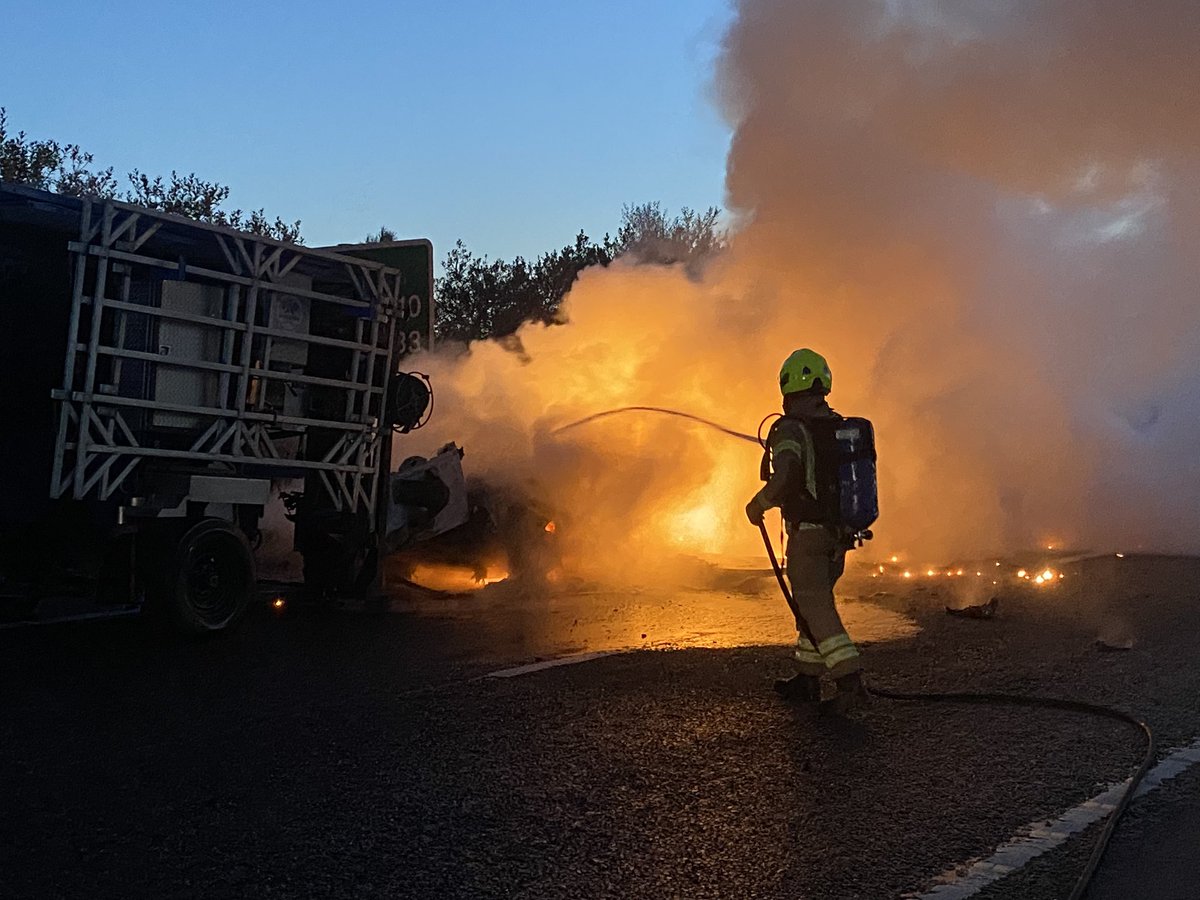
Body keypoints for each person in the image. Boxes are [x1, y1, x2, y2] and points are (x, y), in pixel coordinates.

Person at [744, 348, 868, 714]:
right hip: (838, 534)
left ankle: (849, 682)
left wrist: (758, 504)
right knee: (811, 604)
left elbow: (786, 476)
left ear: (786, 384)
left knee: (815, 605)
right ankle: (807, 677)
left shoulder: (790, 429)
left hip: (809, 535)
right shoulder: (835, 426)